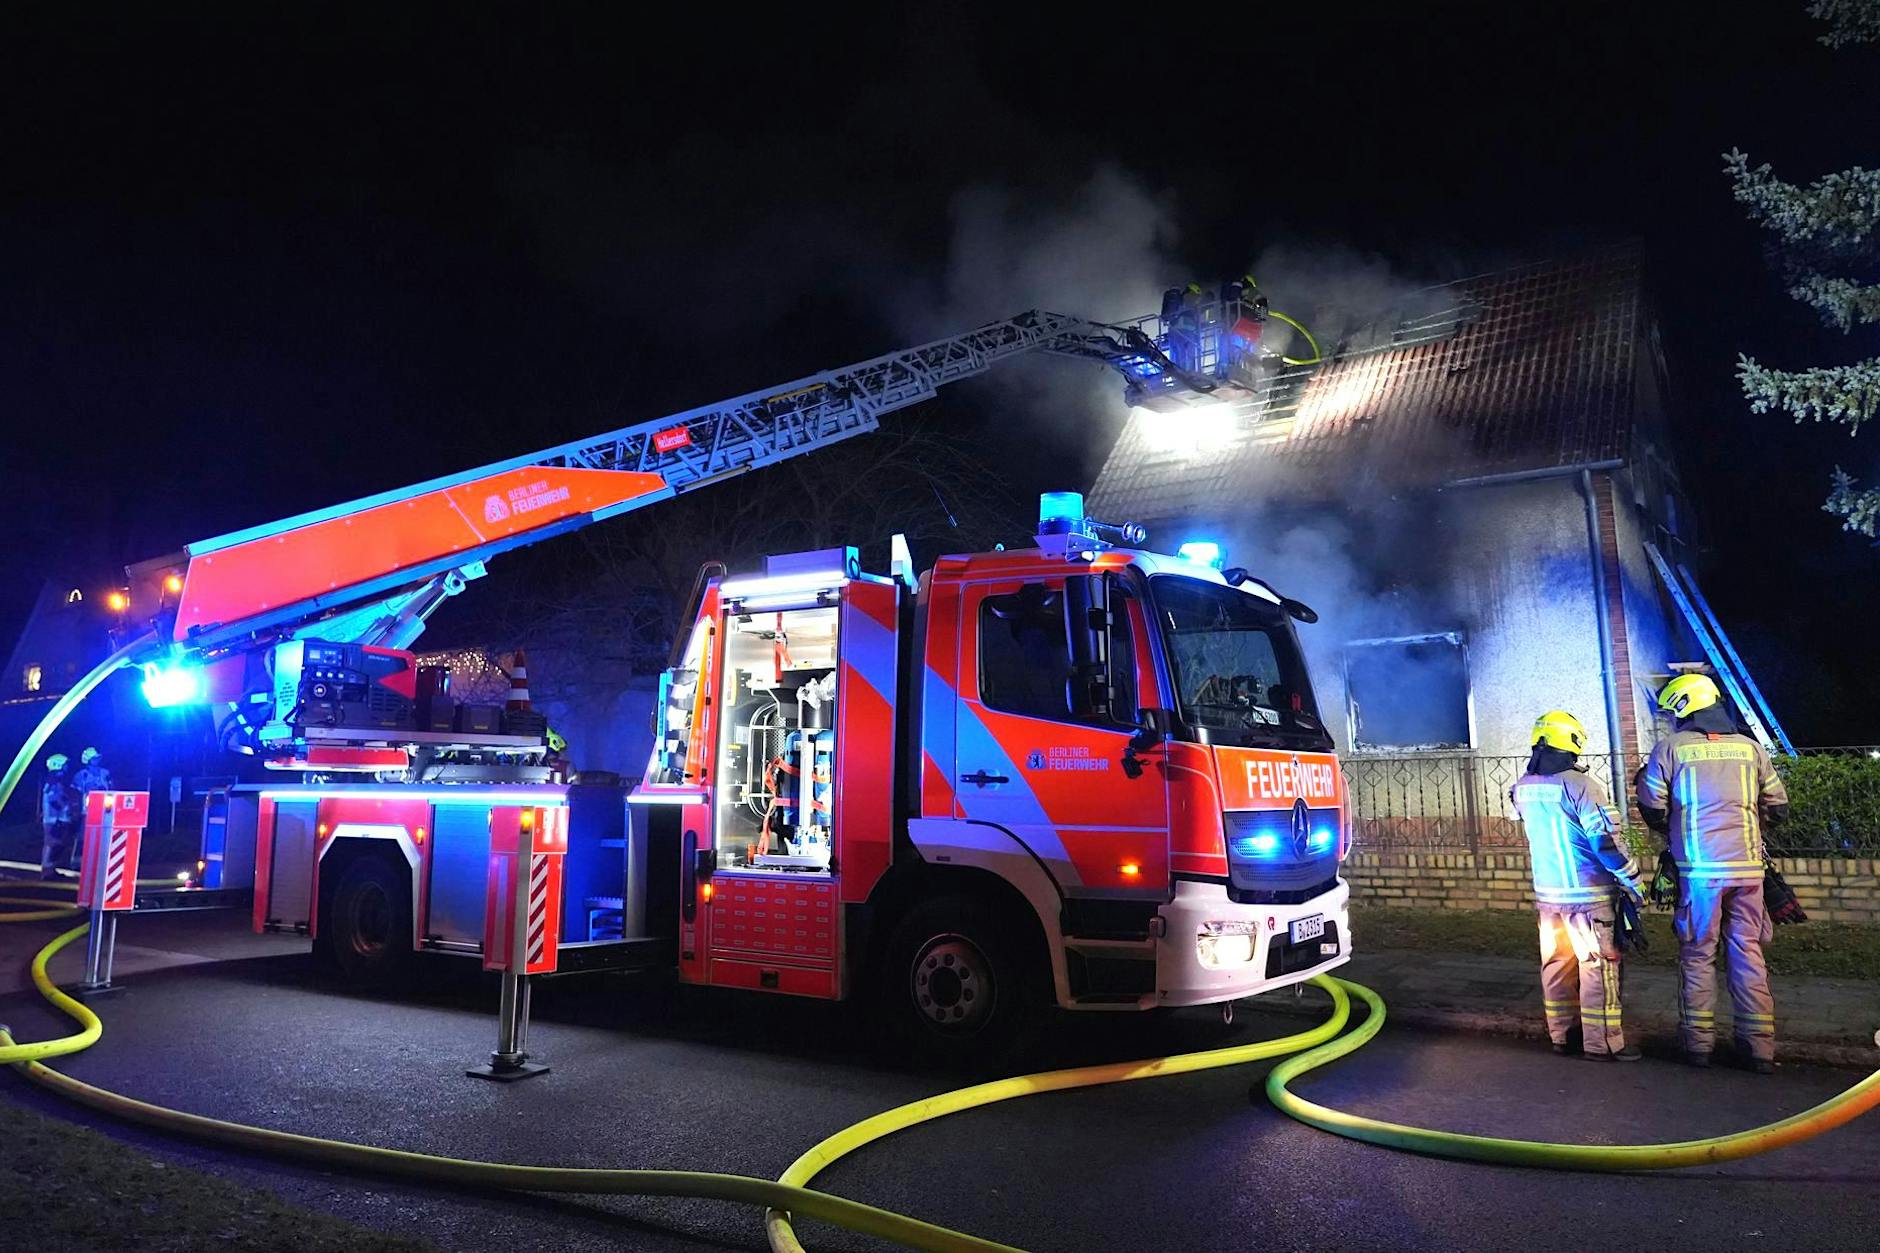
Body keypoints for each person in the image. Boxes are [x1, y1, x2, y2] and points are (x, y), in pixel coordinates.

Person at [1635, 673, 1788, 1074]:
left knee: (1699, 954)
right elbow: (1779, 806)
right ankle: (1759, 1050)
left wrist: (1675, 829)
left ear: (1685, 706)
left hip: (1700, 873)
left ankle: (1699, 1046)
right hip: (1749, 872)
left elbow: (1652, 807)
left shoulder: (1670, 749)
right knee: (1748, 953)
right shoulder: (1751, 750)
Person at [1510, 710, 1647, 1061]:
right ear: (1573, 742)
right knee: (1597, 968)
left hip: (1549, 898)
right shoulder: (1582, 785)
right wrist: (1632, 880)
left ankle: (1562, 1037)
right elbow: (1606, 842)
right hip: (1589, 899)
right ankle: (1602, 1045)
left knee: (1555, 966)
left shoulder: (1522, 787)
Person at [39, 754, 80, 880]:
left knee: (57, 844)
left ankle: (51, 869)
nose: (67, 767)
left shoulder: (56, 781)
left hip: (58, 819)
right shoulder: (52, 781)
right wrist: (67, 807)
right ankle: (47, 871)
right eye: (65, 765)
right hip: (53, 819)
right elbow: (53, 800)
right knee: (52, 844)